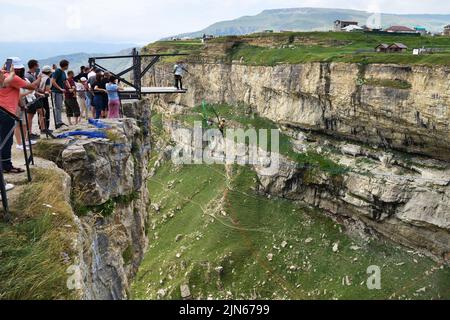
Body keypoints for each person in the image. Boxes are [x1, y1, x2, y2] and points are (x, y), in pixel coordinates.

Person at [0, 57, 40, 174]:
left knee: (2, 138)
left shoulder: (2, 76)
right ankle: (7, 166)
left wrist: (21, 105)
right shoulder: (13, 78)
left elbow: (14, 94)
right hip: (6, 112)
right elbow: (32, 87)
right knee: (6, 140)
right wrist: (39, 78)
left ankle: (4, 164)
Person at [25, 59, 44, 140]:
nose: (38, 67)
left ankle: (43, 129)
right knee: (30, 116)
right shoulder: (27, 76)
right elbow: (31, 87)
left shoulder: (32, 75)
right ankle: (28, 134)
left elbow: (36, 87)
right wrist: (39, 78)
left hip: (34, 98)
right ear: (34, 66)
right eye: (37, 65)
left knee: (42, 111)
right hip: (30, 98)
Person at [51, 59, 69, 129]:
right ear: (65, 65)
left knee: (60, 107)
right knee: (58, 108)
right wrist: (60, 88)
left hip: (61, 92)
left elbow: (65, 80)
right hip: (56, 92)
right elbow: (53, 81)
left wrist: (68, 87)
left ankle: (60, 121)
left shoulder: (63, 72)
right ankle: (58, 123)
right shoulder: (58, 71)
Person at [38, 66, 53, 134]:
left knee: (40, 113)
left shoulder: (39, 76)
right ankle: (45, 128)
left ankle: (41, 127)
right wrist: (49, 91)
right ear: (49, 72)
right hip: (44, 96)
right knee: (45, 113)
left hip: (38, 96)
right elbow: (47, 89)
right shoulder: (47, 78)